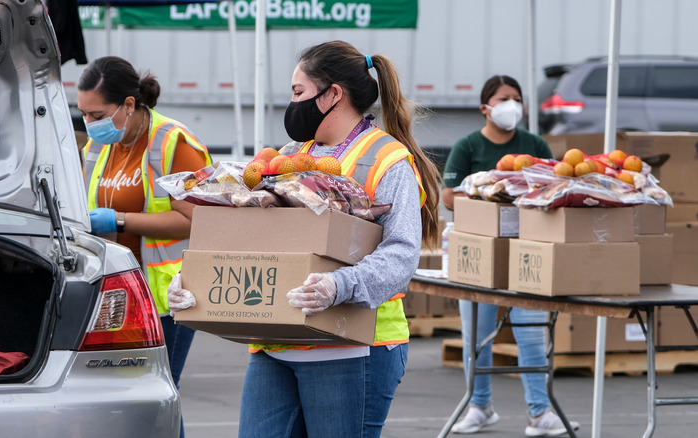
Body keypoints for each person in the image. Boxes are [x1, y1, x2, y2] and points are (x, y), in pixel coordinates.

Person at [168, 40, 442, 437]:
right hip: (278, 340)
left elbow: (401, 254)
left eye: (298, 93)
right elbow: (257, 235)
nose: (292, 103)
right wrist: (196, 279)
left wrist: (338, 285)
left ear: (333, 94)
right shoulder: (289, 154)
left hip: (353, 346)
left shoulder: (388, 160)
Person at [77, 56, 212, 438]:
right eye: (83, 114)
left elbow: (199, 220)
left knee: (157, 396)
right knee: (129, 399)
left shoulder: (174, 142)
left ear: (129, 105)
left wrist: (119, 221)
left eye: (97, 113)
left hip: (170, 295)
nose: (89, 123)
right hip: (118, 297)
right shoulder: (100, 146)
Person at [441, 75, 580, 436]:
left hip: (526, 250)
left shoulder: (533, 144)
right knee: (478, 334)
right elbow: (449, 196)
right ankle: (479, 404)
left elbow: (553, 187)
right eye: (504, 98)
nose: (512, 105)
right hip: (482, 252)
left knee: (531, 333)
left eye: (517, 98)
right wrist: (489, 201)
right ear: (485, 107)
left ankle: (540, 411)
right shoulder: (468, 146)